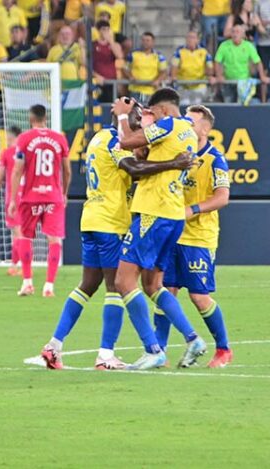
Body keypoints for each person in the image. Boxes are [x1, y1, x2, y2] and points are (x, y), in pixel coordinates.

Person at [40, 106, 194, 371]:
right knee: (117, 287)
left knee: (87, 285)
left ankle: (54, 345)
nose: (141, 125)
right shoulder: (115, 140)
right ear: (127, 119)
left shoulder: (98, 137)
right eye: (137, 119)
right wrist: (173, 163)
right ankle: (105, 354)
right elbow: (133, 167)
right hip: (110, 222)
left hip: (91, 217)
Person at [110, 88, 207, 370]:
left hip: (154, 211)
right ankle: (192, 339)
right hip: (174, 214)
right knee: (153, 285)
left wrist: (123, 116)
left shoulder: (168, 124)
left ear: (163, 110)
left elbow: (127, 142)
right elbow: (144, 149)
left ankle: (153, 349)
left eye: (154, 113)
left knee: (123, 282)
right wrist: (140, 118)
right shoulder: (188, 130)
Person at [153, 105, 233, 369]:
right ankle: (159, 351)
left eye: (192, 121)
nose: (186, 124)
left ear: (205, 129)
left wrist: (193, 209)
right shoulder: (180, 154)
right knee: (165, 291)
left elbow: (223, 197)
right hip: (173, 234)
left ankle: (223, 349)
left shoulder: (215, 159)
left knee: (198, 297)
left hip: (199, 237)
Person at [7, 105, 71, 298]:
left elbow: (18, 170)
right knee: (54, 239)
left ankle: (27, 283)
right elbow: (67, 170)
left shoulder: (24, 138)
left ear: (30, 117)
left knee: (26, 237)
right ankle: (49, 286)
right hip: (53, 196)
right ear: (45, 117)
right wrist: (65, 193)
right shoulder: (59, 138)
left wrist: (12, 198)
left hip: (30, 196)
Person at [0, 126, 23, 277]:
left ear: (10, 137)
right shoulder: (28, 153)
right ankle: (15, 265)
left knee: (18, 232)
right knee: (19, 233)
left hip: (14, 198)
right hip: (29, 197)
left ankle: (24, 267)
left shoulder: (7, 153)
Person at [213, 23, 270, 103]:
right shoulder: (224, 46)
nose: (235, 34)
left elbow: (258, 62)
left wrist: (262, 76)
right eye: (233, 32)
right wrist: (219, 76)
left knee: (243, 106)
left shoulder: (249, 46)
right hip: (228, 81)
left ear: (243, 35)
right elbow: (217, 61)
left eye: (237, 32)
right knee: (228, 106)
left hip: (244, 83)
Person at [171, 29, 214, 105]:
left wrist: (210, 75)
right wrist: (173, 76)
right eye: (189, 37)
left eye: (193, 37)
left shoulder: (204, 52)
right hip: (183, 85)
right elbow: (174, 66)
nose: (190, 40)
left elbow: (210, 67)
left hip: (199, 84)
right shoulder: (179, 52)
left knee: (196, 107)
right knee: (184, 104)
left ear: (197, 40)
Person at [127, 32, 168, 104]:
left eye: (148, 40)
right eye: (143, 40)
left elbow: (164, 71)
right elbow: (125, 68)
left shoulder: (159, 56)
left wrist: (158, 80)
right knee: (136, 114)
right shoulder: (133, 54)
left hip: (151, 91)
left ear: (153, 42)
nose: (145, 42)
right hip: (136, 90)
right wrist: (130, 76)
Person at [93, 20, 124, 103]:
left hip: (111, 81)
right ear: (98, 31)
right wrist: (96, 75)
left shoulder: (115, 45)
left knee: (111, 106)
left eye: (107, 29)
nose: (105, 32)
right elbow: (87, 64)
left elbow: (119, 56)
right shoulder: (93, 45)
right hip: (98, 81)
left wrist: (111, 41)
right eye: (103, 29)